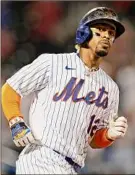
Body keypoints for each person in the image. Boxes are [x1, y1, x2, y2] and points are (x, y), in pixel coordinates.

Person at [2, 7, 128, 174]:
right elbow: (11, 88)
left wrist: (109, 135)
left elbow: (94, 140)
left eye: (111, 33)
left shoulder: (110, 88)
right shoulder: (53, 63)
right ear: (83, 34)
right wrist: (16, 122)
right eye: (100, 31)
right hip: (41, 158)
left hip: (72, 166)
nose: (107, 36)